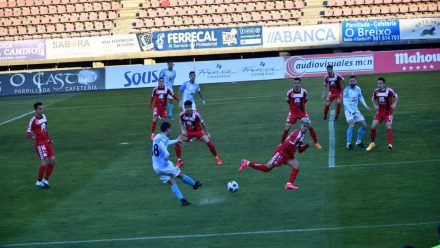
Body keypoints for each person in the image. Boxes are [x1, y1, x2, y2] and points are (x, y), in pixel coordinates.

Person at [240, 118, 312, 190]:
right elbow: (287, 147)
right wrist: (292, 156)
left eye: (307, 126)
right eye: (305, 125)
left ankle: (289, 184)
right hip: (281, 152)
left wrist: (306, 146)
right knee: (267, 168)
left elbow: (299, 150)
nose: (306, 127)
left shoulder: (302, 135)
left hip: (287, 154)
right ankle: (247, 163)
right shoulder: (297, 135)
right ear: (301, 125)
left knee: (296, 165)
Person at [152, 122, 203, 206]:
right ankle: (194, 184)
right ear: (167, 129)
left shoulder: (157, 136)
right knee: (180, 174)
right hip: (164, 165)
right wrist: (166, 154)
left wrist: (176, 141)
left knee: (172, 181)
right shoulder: (163, 139)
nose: (171, 131)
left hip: (156, 167)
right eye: (170, 129)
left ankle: (183, 200)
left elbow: (164, 143)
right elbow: (163, 146)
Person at [175, 100, 222, 167]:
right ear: (185, 108)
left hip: (198, 131)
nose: (189, 109)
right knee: (177, 141)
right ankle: (179, 161)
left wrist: (207, 133)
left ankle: (217, 158)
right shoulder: (182, 115)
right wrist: (182, 130)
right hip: (189, 132)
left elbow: (203, 123)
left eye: (190, 107)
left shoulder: (196, 114)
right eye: (187, 107)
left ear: (191, 107)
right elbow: (181, 123)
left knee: (208, 142)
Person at [281, 77, 321, 149]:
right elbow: (288, 101)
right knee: (287, 127)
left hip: (302, 113)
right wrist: (293, 108)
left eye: (297, 83)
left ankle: (316, 143)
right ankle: (281, 144)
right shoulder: (289, 92)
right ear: (293, 84)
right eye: (295, 83)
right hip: (293, 113)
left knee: (309, 126)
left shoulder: (304, 92)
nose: (296, 85)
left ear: (300, 83)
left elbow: (306, 100)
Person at [26, 102, 56, 189]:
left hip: (47, 142)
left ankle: (45, 180)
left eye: (42, 108)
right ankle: (39, 181)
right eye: (39, 109)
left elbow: (45, 130)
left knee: (53, 161)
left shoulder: (44, 117)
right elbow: (28, 132)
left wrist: (49, 139)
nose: (41, 110)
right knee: (45, 162)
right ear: (35, 110)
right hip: (40, 143)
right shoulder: (33, 120)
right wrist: (33, 137)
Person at [366, 77, 398, 152]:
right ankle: (372, 143)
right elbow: (373, 99)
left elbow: (396, 97)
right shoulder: (376, 91)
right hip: (380, 112)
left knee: (388, 126)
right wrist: (375, 106)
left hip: (388, 112)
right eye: (378, 83)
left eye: (380, 83)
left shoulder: (389, 90)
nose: (379, 85)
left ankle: (390, 145)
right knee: (373, 127)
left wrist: (394, 104)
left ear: (384, 84)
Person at [343, 75, 371, 150]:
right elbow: (345, 102)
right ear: (349, 82)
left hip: (355, 110)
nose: (352, 82)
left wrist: (365, 105)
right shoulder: (346, 90)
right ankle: (348, 144)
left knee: (364, 126)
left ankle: (358, 142)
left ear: (356, 81)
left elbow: (360, 96)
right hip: (348, 110)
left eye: (353, 81)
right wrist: (351, 111)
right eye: (351, 81)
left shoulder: (358, 88)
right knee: (351, 124)